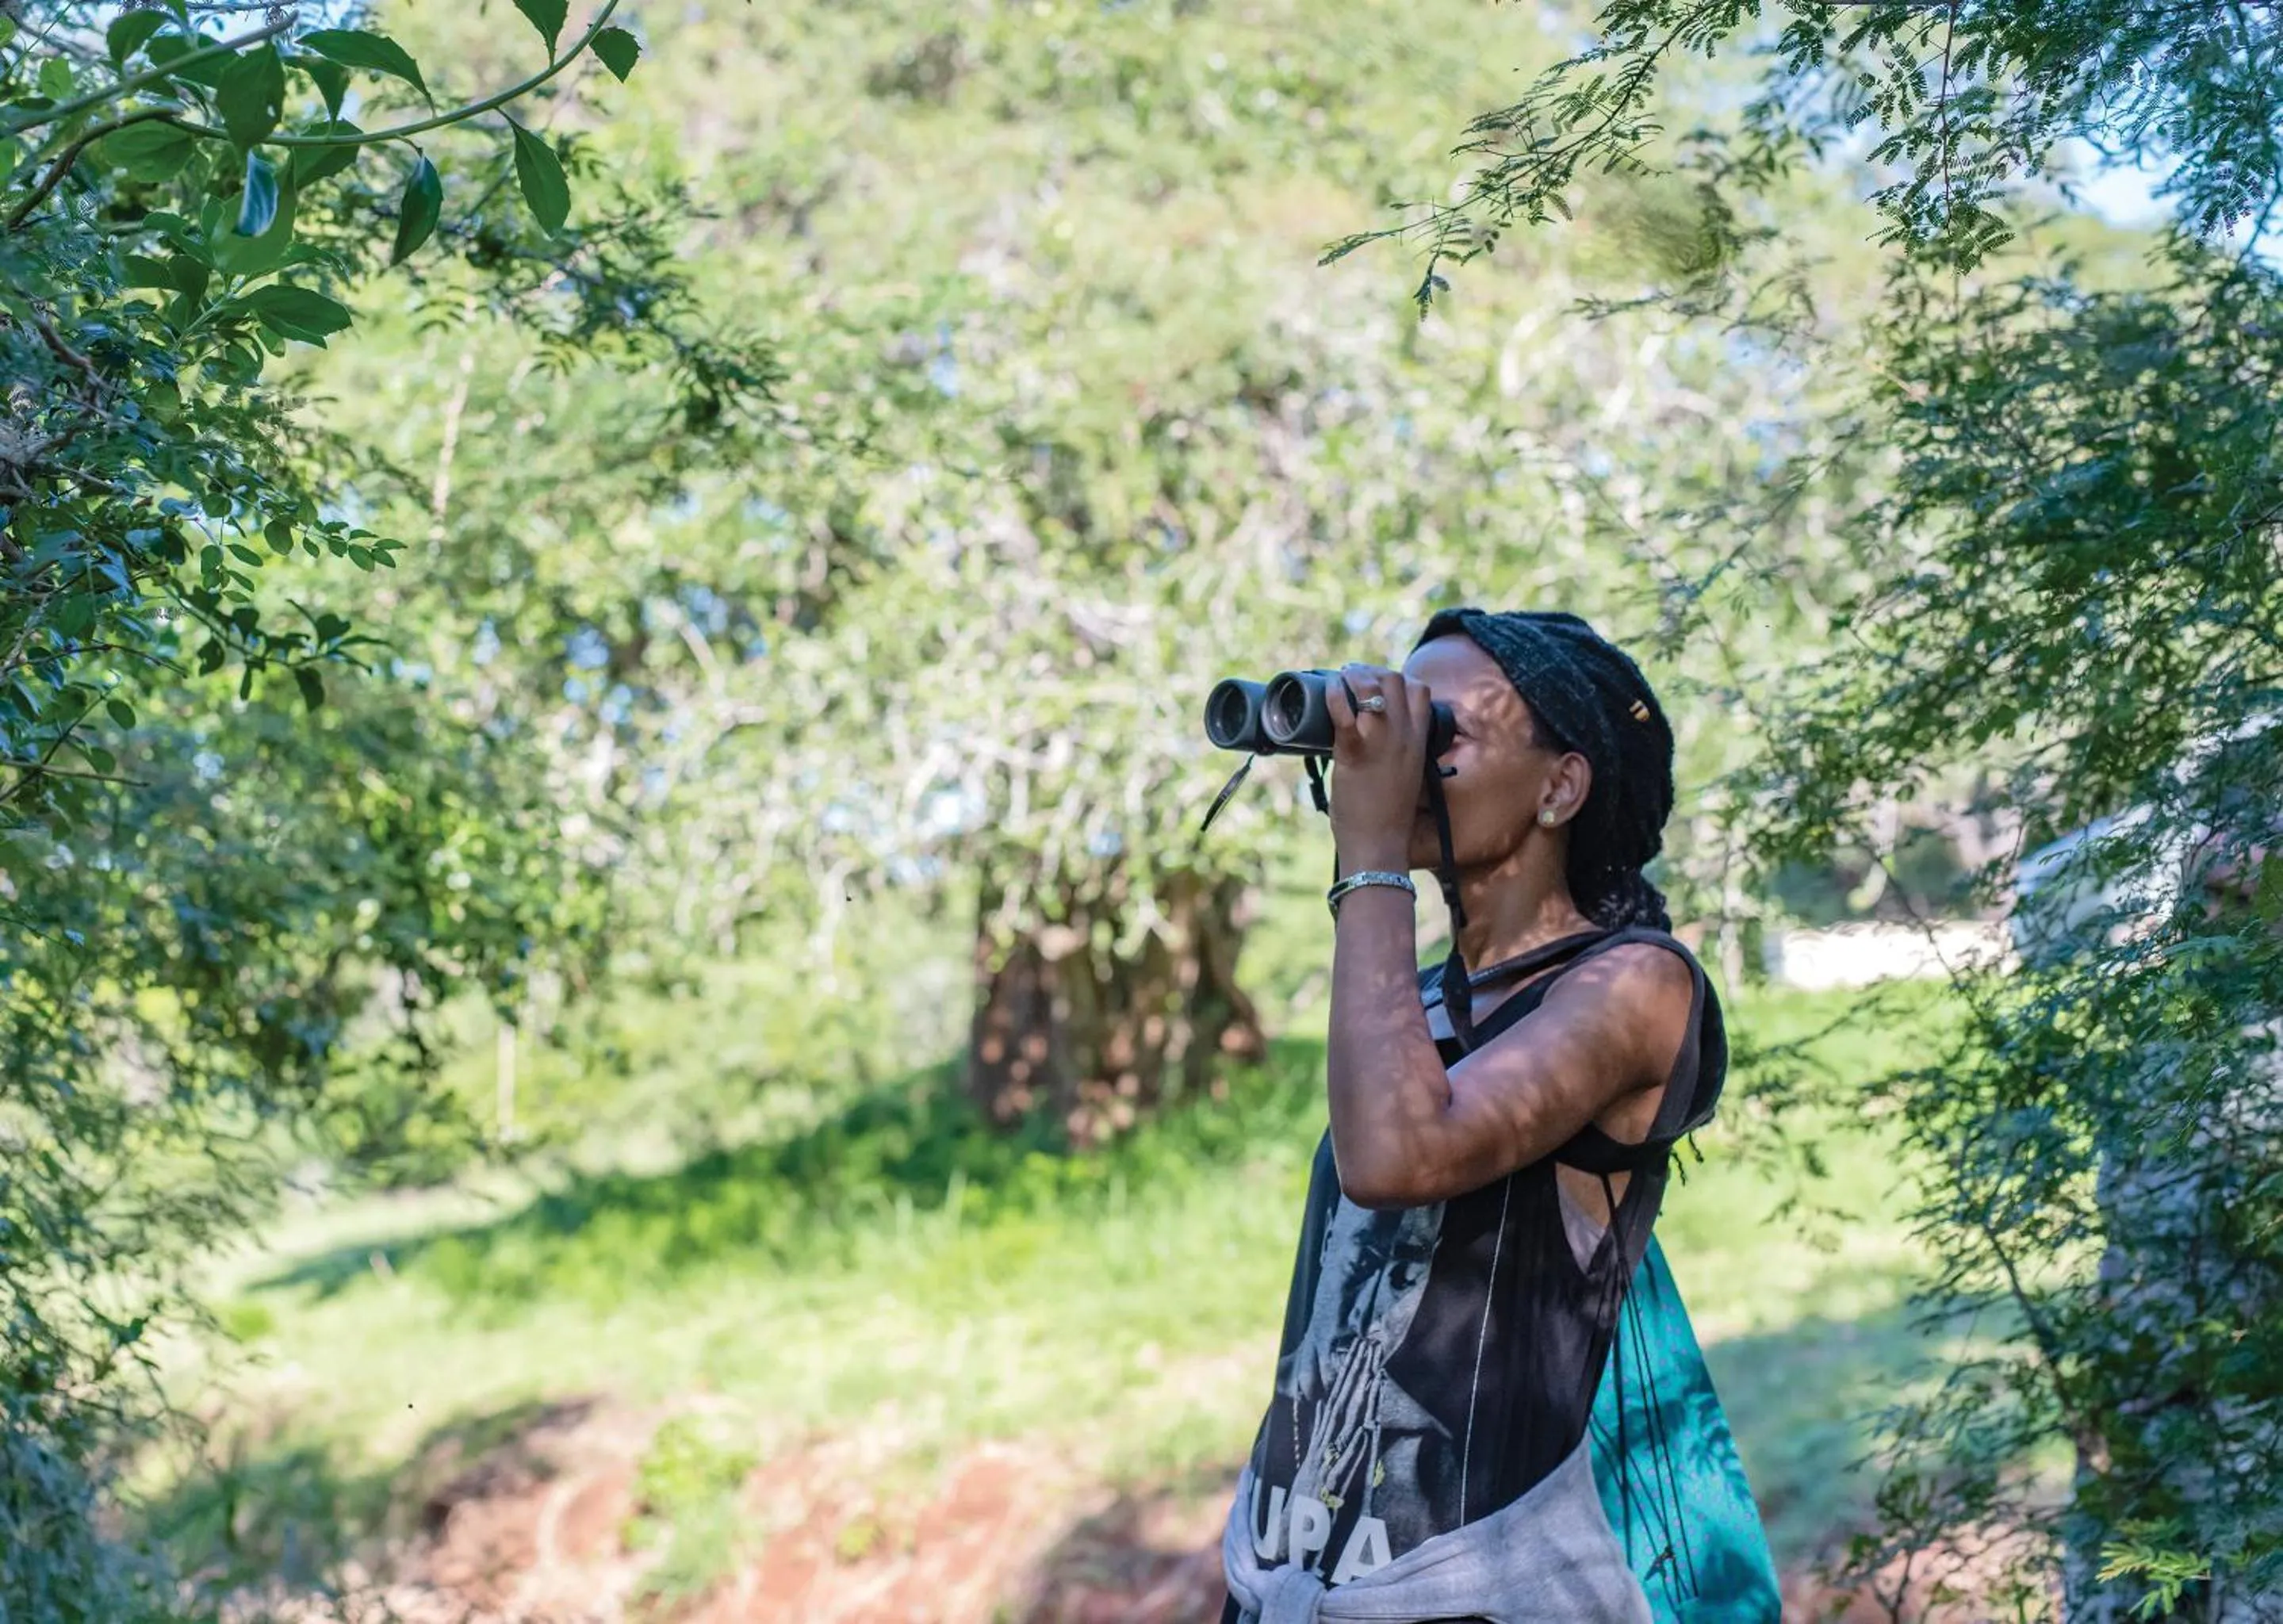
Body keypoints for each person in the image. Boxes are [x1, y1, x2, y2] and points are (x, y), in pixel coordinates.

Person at [1218, 609, 1778, 1624]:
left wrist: (1371, 849)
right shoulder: (1413, 998)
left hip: (1480, 1592)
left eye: (1441, 737)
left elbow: (1398, 1154)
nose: (1400, 760)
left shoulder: (1635, 987)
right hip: (1289, 1576)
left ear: (1560, 786)